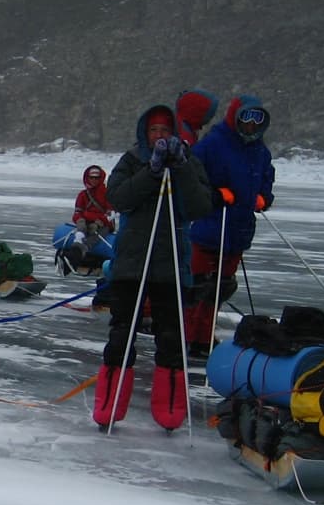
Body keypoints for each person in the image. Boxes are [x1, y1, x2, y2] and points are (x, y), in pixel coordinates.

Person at [93, 104, 212, 431]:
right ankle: (109, 405)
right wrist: (152, 171)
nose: (160, 136)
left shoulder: (190, 163)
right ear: (145, 133)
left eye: (165, 131)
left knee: (172, 339)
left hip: (171, 264)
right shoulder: (132, 160)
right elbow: (117, 198)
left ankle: (170, 409)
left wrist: (182, 168)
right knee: (122, 334)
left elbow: (201, 205)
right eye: (154, 131)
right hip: (131, 263)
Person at [183, 95, 275, 360]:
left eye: (257, 120)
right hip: (209, 226)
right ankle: (186, 336)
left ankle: (204, 337)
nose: (251, 125)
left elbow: (266, 177)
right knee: (197, 287)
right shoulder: (214, 143)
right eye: (247, 118)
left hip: (238, 230)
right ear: (236, 117)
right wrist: (214, 193)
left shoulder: (260, 150)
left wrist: (264, 197)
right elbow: (192, 174)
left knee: (220, 288)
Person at [63, 164, 115, 272]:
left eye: (97, 178)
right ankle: (76, 247)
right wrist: (80, 221)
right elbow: (77, 212)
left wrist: (99, 221)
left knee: (97, 235)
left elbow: (111, 214)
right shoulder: (83, 195)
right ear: (87, 177)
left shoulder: (107, 193)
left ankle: (79, 252)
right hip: (86, 223)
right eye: (92, 177)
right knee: (82, 230)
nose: (94, 180)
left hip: (103, 225)